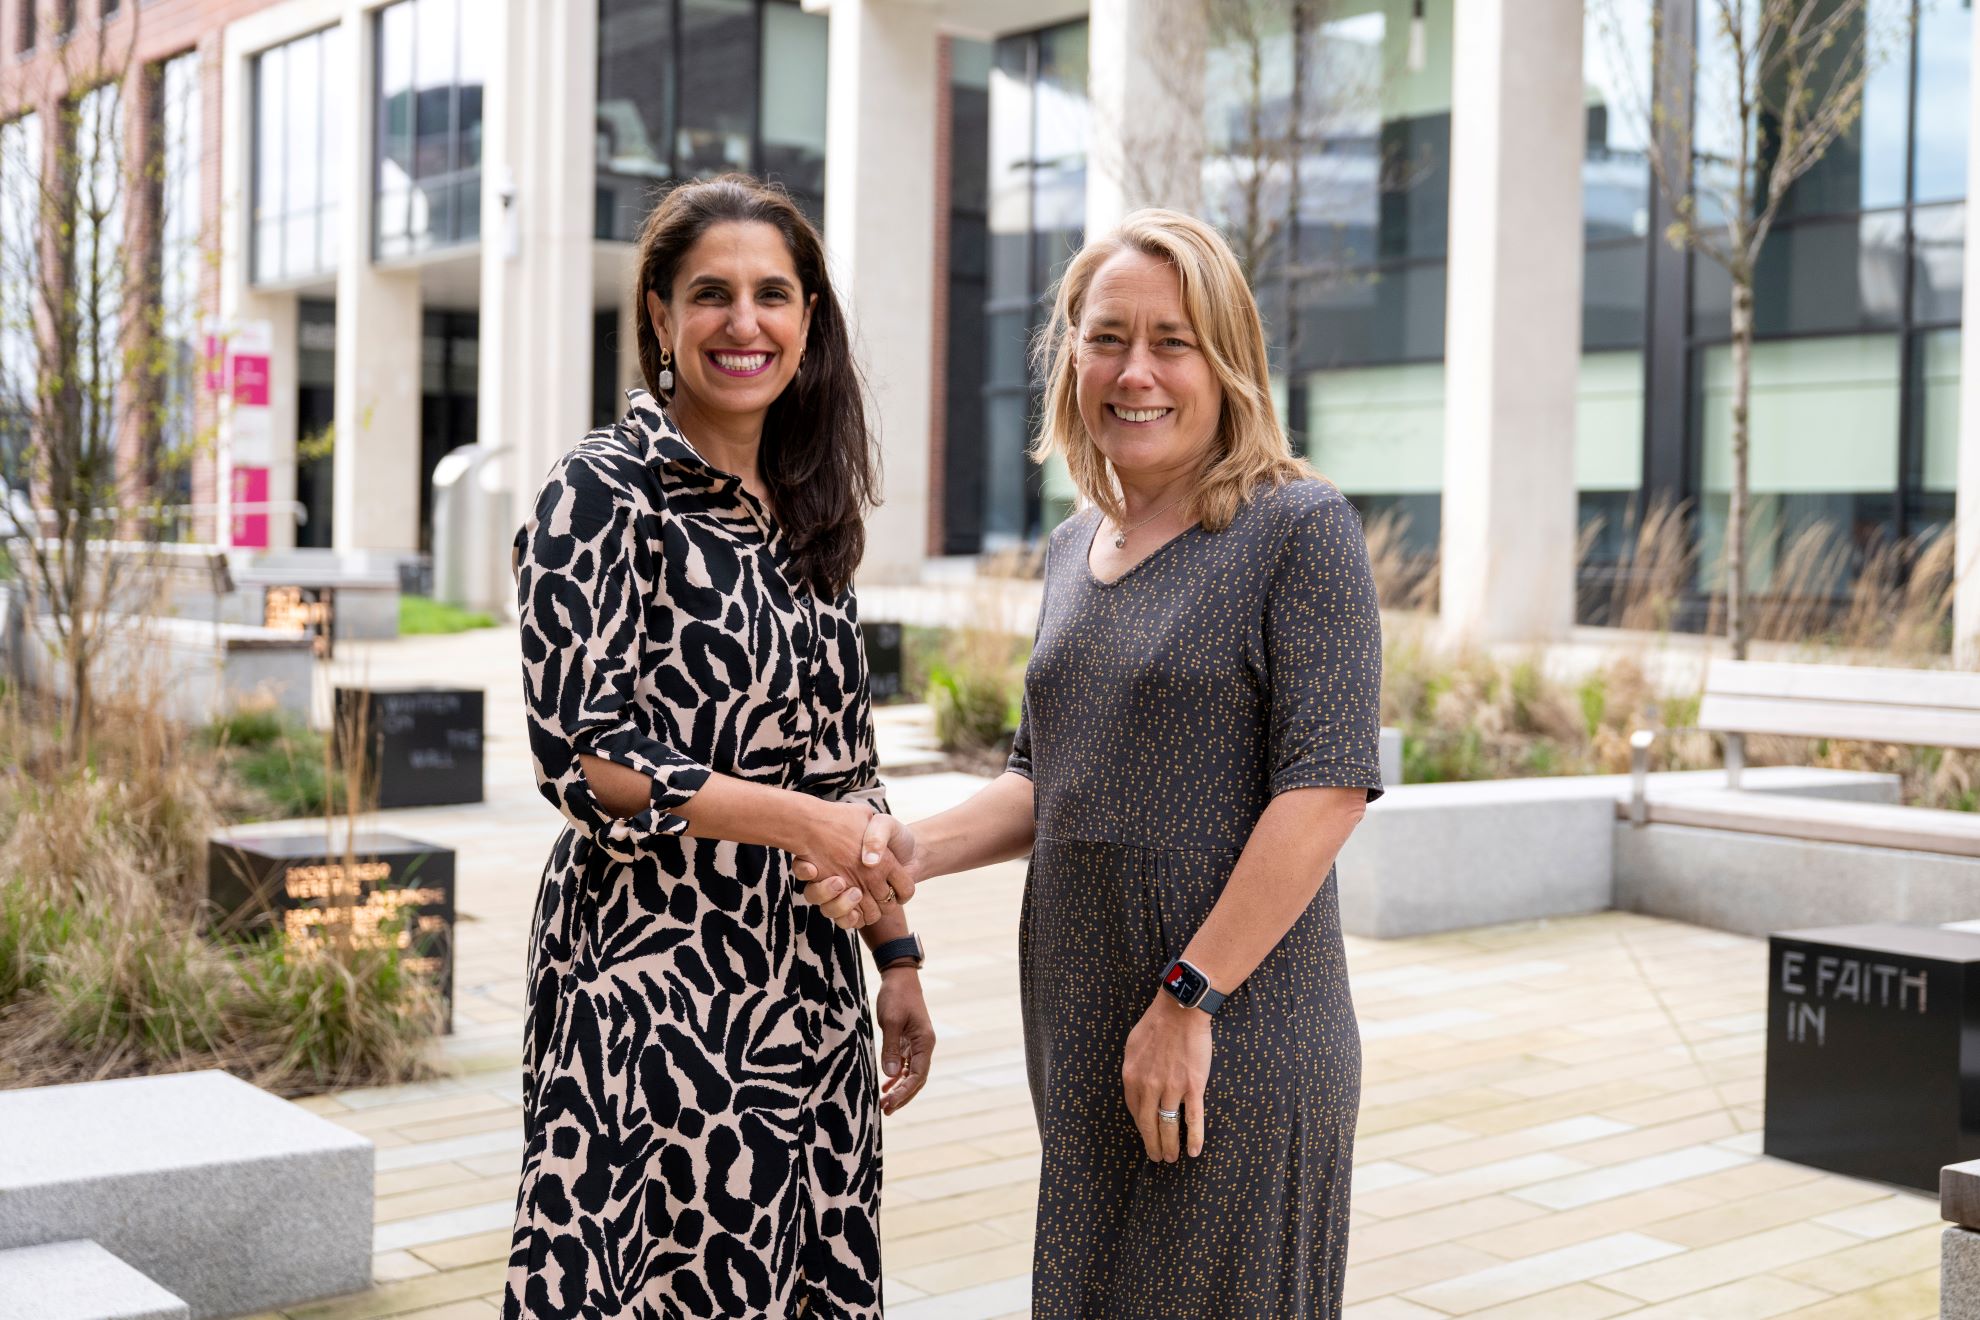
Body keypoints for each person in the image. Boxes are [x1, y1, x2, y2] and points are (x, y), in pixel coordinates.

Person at [803, 208, 1384, 1318]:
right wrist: (905, 852)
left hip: (1229, 1030)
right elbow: (1044, 778)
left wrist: (1187, 999)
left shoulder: (1297, 528)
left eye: (1172, 342)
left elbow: (1325, 791)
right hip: (1082, 1022)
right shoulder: (1075, 547)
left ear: (1228, 361)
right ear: (1070, 358)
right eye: (1107, 338)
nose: (1135, 371)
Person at [506, 174, 935, 1320]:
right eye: (711, 294)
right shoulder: (601, 492)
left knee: (802, 1276)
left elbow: (844, 768)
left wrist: (896, 959)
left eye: (772, 294)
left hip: (808, 984)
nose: (745, 323)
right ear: (659, 315)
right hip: (650, 985)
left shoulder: (806, 504)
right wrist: (801, 822)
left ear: (808, 317)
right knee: (658, 1283)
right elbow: (582, 756)